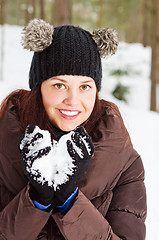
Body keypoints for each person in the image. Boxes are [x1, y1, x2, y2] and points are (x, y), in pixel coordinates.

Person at [0, 19, 146, 240]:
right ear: (38, 88)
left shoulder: (126, 165)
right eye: (59, 85)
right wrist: (37, 200)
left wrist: (70, 202)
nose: (73, 101)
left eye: (85, 87)